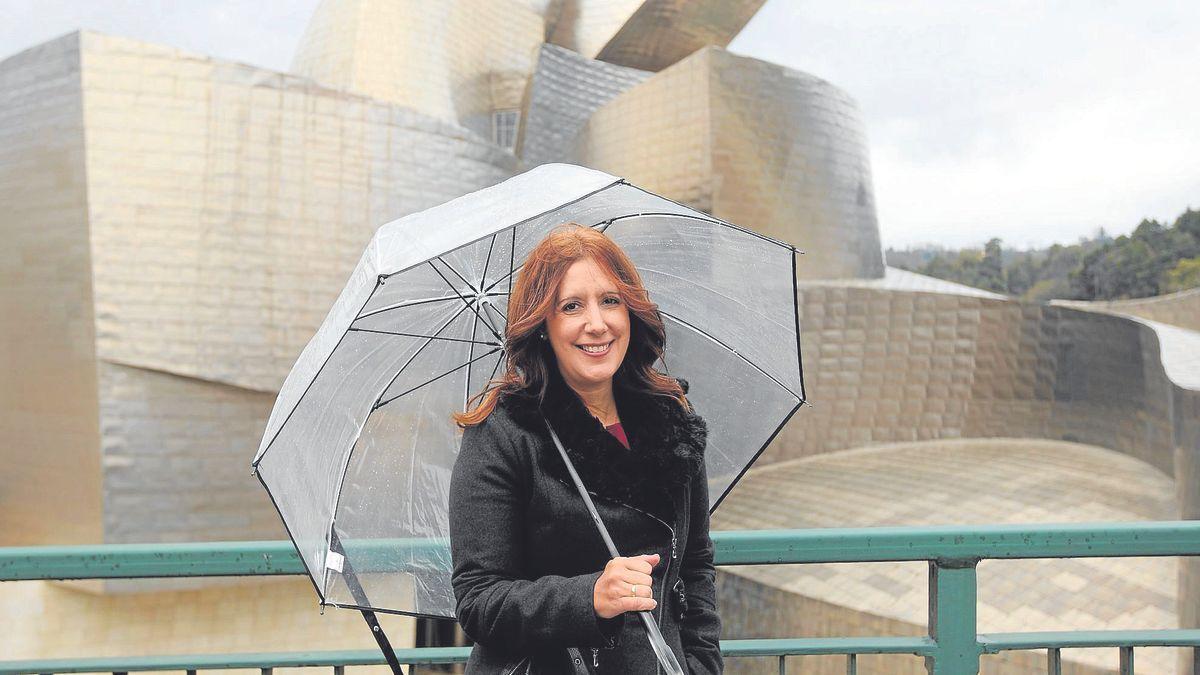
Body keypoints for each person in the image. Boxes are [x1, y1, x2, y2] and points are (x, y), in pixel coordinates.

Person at [448, 224, 723, 674]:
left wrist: (702, 665)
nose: (597, 324)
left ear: (631, 311)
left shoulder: (671, 420)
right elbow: (480, 600)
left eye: (610, 300)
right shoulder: (503, 434)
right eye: (571, 306)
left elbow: (696, 565)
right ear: (542, 325)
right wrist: (590, 597)